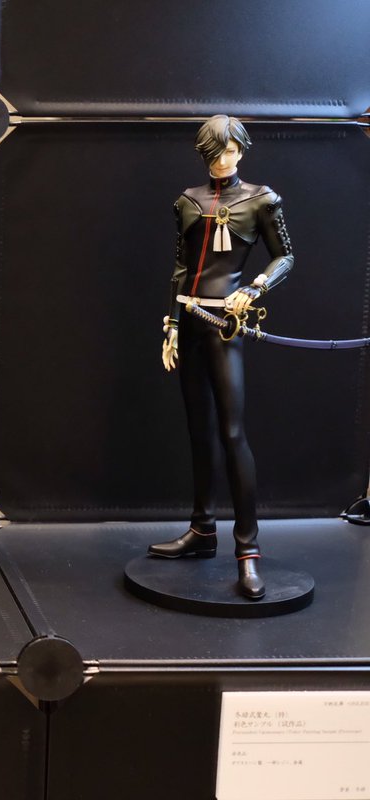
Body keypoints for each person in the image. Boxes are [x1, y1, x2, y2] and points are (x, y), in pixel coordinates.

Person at [151, 115, 294, 600]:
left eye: (231, 150)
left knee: (232, 433)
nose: (224, 160)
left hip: (224, 324)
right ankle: (202, 529)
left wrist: (254, 288)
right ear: (203, 154)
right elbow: (181, 267)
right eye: (215, 153)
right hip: (190, 321)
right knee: (199, 429)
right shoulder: (188, 200)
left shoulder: (260, 199)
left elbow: (285, 255)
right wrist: (171, 324)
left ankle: (248, 550)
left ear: (242, 150)